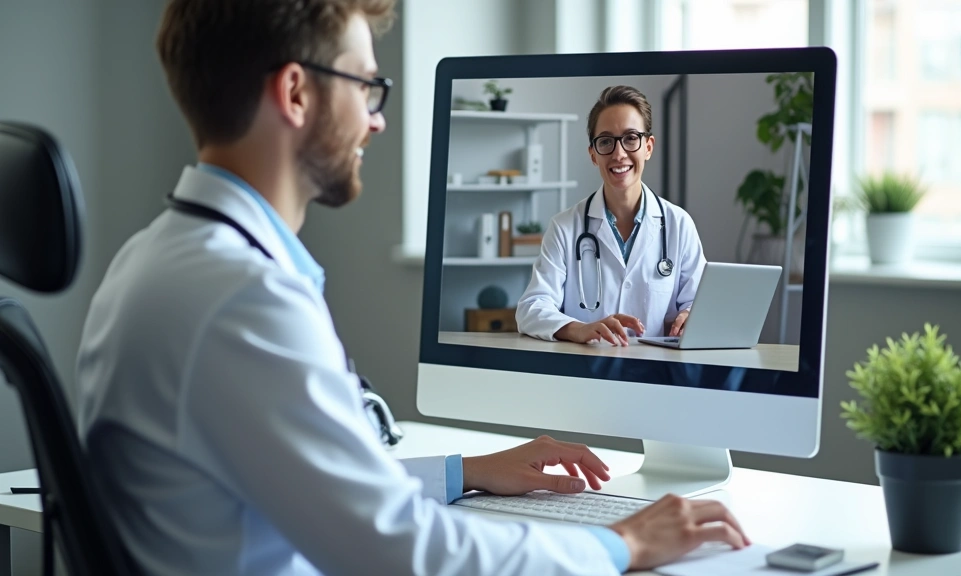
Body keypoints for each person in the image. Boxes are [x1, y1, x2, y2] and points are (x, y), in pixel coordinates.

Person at [75, 2, 749, 574]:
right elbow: (403, 549)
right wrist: (618, 544)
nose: (378, 120)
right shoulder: (243, 301)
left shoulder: (156, 260)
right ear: (296, 93)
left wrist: (468, 471)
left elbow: (330, 491)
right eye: (365, 86)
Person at [517, 86, 707, 346]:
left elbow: (698, 301)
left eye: (631, 138)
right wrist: (579, 329)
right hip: (586, 373)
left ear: (648, 147)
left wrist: (689, 315)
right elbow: (531, 308)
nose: (619, 154)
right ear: (593, 154)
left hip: (657, 374)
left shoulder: (679, 225)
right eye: (605, 141)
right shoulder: (564, 228)